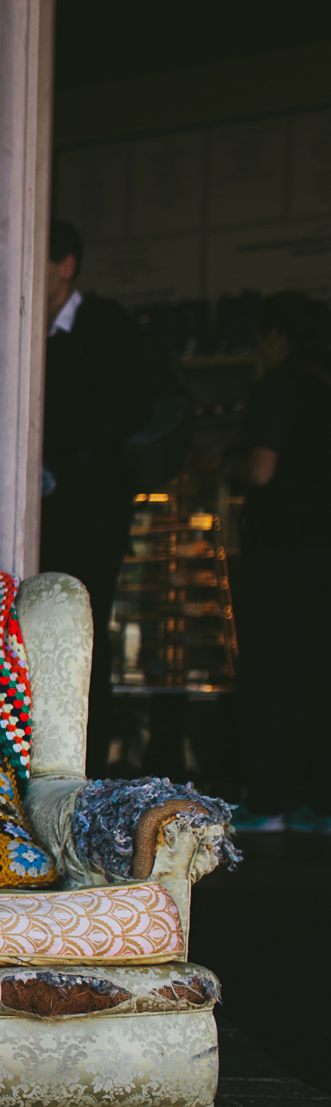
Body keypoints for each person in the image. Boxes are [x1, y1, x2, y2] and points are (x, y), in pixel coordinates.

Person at [38, 218, 158, 777]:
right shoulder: (27, 333)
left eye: (38, 259)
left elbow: (128, 408)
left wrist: (61, 440)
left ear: (66, 266)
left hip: (92, 509)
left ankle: (90, 764)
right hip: (43, 509)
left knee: (84, 631)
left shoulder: (102, 324)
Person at [230, 291, 331, 833]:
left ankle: (269, 802)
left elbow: (262, 470)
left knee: (271, 675)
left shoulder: (278, 387)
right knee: (322, 676)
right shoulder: (323, 386)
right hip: (325, 554)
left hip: (282, 554)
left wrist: (232, 467)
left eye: (260, 336)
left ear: (277, 336)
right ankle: (323, 805)